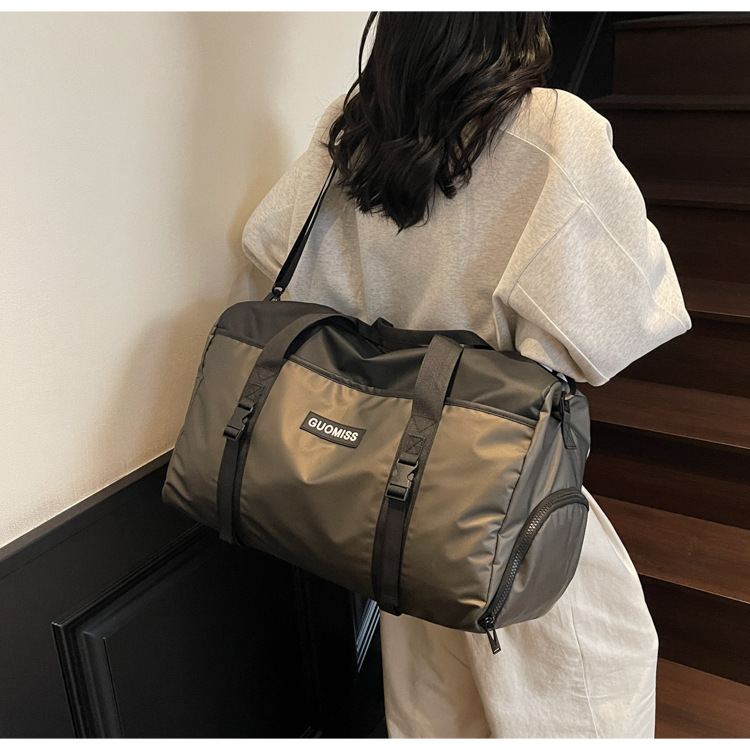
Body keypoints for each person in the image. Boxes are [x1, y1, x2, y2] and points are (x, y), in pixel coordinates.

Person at [240, 12, 691, 738]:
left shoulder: (355, 129)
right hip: (512, 493)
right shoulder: (551, 128)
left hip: (400, 509)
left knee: (434, 711)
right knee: (585, 692)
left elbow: (272, 251)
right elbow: (625, 315)